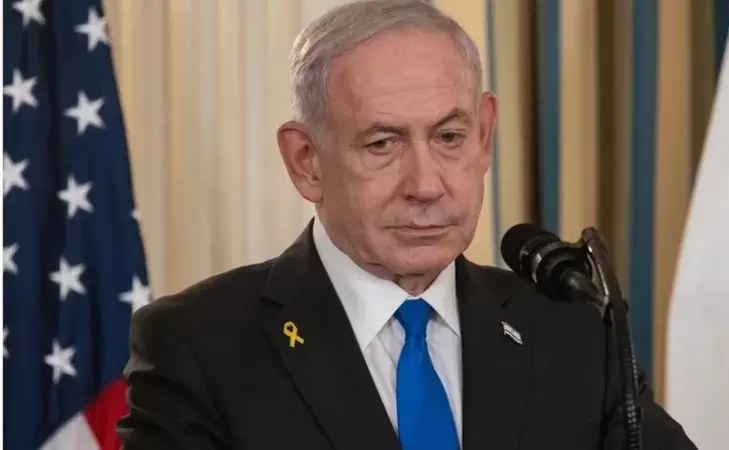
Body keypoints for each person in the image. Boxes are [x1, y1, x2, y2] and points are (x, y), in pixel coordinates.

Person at [116, 1, 697, 449]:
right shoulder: (197, 347)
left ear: (485, 135)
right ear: (306, 162)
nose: (426, 184)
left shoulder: (572, 333)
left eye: (449, 137)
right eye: (383, 143)